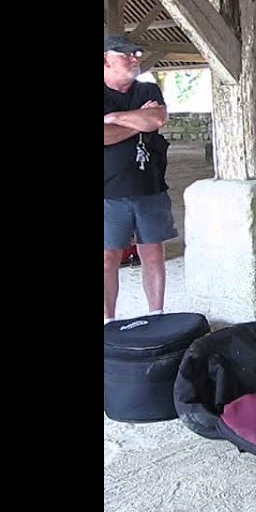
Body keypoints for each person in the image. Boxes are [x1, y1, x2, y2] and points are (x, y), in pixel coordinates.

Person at [104, 35, 176, 324]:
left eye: (135, 53)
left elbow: (156, 120)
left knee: (153, 253)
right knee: (108, 259)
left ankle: (156, 316)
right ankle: (109, 321)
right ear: (105, 60)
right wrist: (138, 121)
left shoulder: (148, 89)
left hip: (150, 186)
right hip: (108, 191)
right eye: (125, 55)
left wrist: (114, 118)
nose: (134, 58)